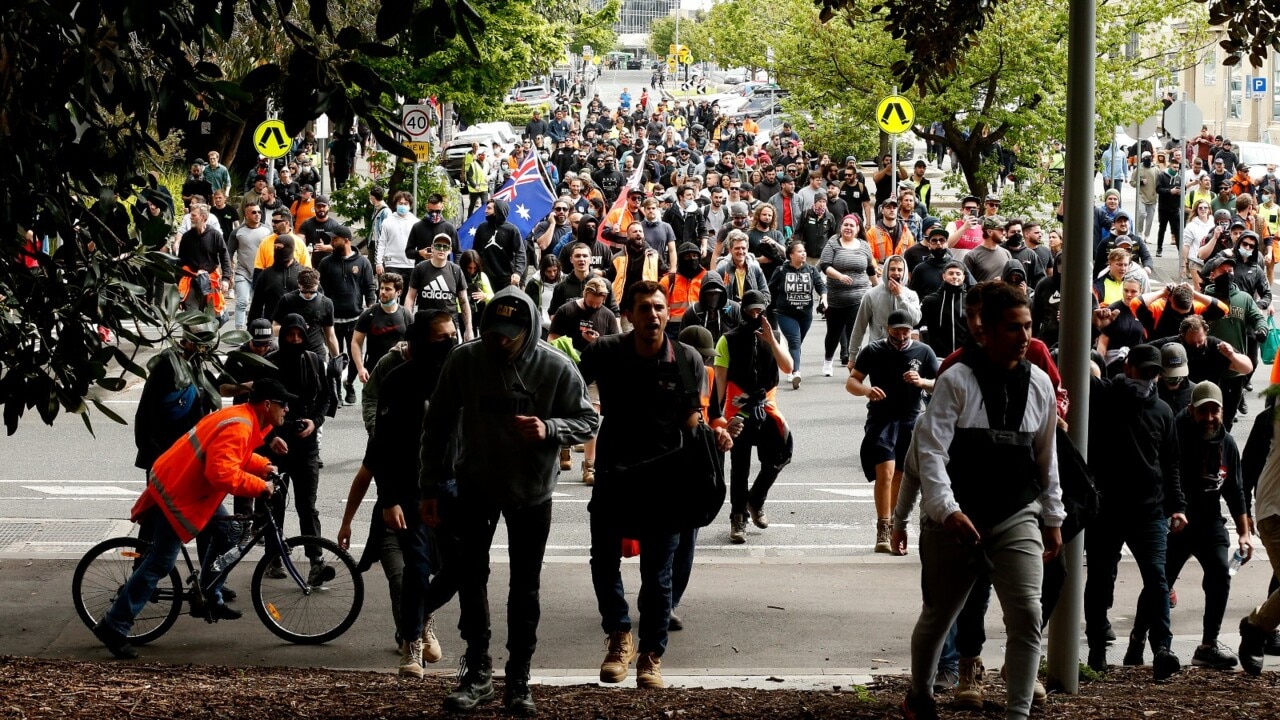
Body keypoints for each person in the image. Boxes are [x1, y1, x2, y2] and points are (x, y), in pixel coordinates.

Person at [419, 288, 598, 715]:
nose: (500, 340)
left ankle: (519, 678)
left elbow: (588, 419)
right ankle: (477, 671)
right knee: (469, 576)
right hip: (475, 486)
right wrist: (429, 486)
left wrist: (550, 428)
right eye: (493, 332)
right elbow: (438, 424)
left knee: (525, 587)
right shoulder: (465, 360)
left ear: (529, 329)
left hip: (531, 491)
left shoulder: (555, 367)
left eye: (510, 335)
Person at [896, 283, 1064, 720]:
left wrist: (1052, 516)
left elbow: (1047, 459)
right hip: (956, 518)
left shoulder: (1042, 383)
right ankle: (920, 696)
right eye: (1013, 328)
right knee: (939, 616)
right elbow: (930, 452)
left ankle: (1018, 713)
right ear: (984, 331)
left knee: (1027, 614)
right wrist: (945, 510)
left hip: (1016, 514)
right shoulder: (956, 380)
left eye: (1028, 326)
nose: (1024, 336)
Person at [579, 280, 734, 688]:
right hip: (615, 474)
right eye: (644, 308)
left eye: (660, 308)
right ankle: (618, 635)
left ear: (669, 313)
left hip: (668, 481)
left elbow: (690, 419)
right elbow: (569, 387)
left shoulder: (686, 359)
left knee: (658, 574)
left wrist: (713, 435)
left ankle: (650, 655)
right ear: (628, 314)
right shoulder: (605, 351)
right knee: (602, 560)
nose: (653, 315)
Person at [91, 380, 288, 659]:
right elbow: (221, 473)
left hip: (185, 487)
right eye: (284, 404)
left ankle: (209, 596)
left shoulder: (243, 419)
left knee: (228, 534)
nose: (287, 410)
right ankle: (114, 625)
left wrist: (264, 466)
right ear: (267, 405)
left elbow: (236, 457)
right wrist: (260, 486)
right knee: (160, 561)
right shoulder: (240, 425)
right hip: (178, 493)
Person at [355, 310, 457, 677]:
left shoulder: (461, 374)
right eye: (441, 337)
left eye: (453, 334)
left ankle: (423, 613)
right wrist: (389, 499)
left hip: (454, 486)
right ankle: (411, 642)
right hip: (411, 488)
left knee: (464, 567)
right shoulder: (398, 380)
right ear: (421, 341)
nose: (450, 342)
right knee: (417, 566)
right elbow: (382, 447)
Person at [1126, 381, 1253, 671]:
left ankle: (1208, 645)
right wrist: (1169, 512)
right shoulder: (1177, 435)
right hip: (1176, 523)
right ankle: (1138, 637)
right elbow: (1162, 477)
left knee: (1223, 571)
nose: (1209, 417)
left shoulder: (1227, 442)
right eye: (1203, 411)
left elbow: (1236, 491)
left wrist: (1244, 534)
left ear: (1222, 411)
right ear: (1191, 409)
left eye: (1214, 411)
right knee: (1159, 584)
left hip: (1210, 523)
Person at [1083, 343, 1186, 680]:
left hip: (1150, 512)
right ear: (1128, 367)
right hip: (1107, 510)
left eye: (1154, 373)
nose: (1149, 378)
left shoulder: (1163, 411)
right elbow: (1075, 365)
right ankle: (1097, 647)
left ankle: (1162, 649)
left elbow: (1171, 463)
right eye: (1144, 371)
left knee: (1157, 578)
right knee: (1100, 578)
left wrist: (1177, 506)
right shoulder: (1105, 396)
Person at [848, 309, 937, 553]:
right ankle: (883, 529)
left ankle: (897, 525)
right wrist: (867, 391)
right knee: (885, 473)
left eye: (906, 331)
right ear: (888, 329)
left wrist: (922, 382)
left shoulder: (923, 351)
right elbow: (852, 382)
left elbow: (940, 383)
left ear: (912, 331)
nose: (901, 335)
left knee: (900, 475)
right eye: (896, 330)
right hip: (881, 418)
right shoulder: (874, 351)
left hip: (909, 420)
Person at [717, 290, 793, 544]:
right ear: (743, 310)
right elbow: (719, 384)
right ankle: (738, 518)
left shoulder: (773, 335)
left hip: (767, 407)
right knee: (740, 467)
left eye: (760, 310)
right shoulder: (727, 340)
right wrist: (716, 419)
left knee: (782, 453)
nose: (756, 315)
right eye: (751, 311)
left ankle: (756, 499)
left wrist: (772, 341)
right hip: (738, 409)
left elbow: (788, 367)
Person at [262, 314, 332, 581]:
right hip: (276, 445)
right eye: (290, 335)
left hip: (306, 444)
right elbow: (258, 406)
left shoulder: (313, 360)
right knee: (274, 504)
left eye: (299, 335)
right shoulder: (270, 363)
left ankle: (316, 559)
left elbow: (326, 396)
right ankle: (274, 557)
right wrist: (270, 437)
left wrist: (314, 422)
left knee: (307, 506)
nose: (295, 340)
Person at [318, 225, 376, 404]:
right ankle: (335, 389)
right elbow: (320, 290)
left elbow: (369, 287)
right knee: (335, 356)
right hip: (332, 320)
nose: (332, 242)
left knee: (353, 356)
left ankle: (349, 383)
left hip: (355, 318)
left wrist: (372, 308)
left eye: (335, 239)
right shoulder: (326, 263)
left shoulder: (363, 263)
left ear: (347, 241)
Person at [820, 215, 877, 374]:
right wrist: (840, 276)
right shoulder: (833, 243)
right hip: (836, 298)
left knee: (855, 332)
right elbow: (824, 266)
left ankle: (853, 364)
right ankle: (828, 361)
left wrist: (879, 287)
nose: (848, 228)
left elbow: (870, 270)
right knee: (833, 332)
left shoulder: (864, 245)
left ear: (858, 229)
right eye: (845, 225)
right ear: (841, 227)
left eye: (852, 225)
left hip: (859, 297)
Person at [769, 242, 827, 389]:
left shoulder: (811, 270)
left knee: (797, 343)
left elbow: (821, 286)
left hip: (805, 314)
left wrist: (824, 298)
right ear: (791, 255)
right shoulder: (781, 270)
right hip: (786, 314)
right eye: (800, 251)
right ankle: (796, 372)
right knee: (794, 341)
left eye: (804, 251)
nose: (803, 254)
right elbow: (769, 289)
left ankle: (790, 365)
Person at [849, 255, 921, 358]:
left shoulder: (911, 295)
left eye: (900, 270)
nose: (896, 273)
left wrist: (900, 296)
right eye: (892, 269)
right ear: (886, 271)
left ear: (904, 272)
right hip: (878, 351)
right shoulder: (871, 294)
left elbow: (915, 320)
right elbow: (859, 328)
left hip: (904, 352)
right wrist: (852, 356)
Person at [351, 273, 411, 387]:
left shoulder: (406, 315)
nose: (383, 292)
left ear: (398, 292)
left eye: (388, 289)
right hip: (374, 371)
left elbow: (414, 343)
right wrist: (360, 368)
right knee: (372, 404)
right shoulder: (369, 314)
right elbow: (356, 342)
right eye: (382, 288)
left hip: (400, 372)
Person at [272, 268, 339, 359]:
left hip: (316, 353)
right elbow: (274, 329)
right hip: (290, 352)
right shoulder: (286, 300)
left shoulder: (326, 303)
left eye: (312, 291)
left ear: (318, 283)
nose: (308, 295)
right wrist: (295, 328)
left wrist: (337, 359)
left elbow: (330, 335)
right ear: (298, 284)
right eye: (304, 291)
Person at [919, 261, 969, 358]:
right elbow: (917, 323)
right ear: (944, 276)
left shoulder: (970, 300)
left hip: (964, 356)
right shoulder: (930, 300)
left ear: (963, 277)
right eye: (951, 273)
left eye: (958, 274)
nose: (955, 276)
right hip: (937, 356)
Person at [475, 199, 526, 288]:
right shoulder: (481, 228)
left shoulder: (512, 230)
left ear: (498, 210)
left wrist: (518, 273)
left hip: (506, 279)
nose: (485, 211)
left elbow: (520, 252)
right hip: (485, 278)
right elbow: (475, 252)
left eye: (489, 208)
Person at [963, 215, 1013, 283]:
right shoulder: (972, 256)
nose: (1004, 233)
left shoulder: (1006, 253)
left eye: (1004, 230)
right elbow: (967, 283)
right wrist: (989, 285)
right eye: (1000, 230)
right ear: (990, 232)